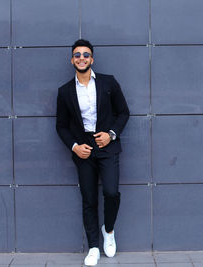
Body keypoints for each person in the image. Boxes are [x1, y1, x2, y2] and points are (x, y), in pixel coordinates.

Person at [56, 39, 129, 266]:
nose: (81, 58)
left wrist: (111, 134)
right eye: (77, 55)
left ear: (92, 59)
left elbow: (124, 112)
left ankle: (108, 230)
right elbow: (61, 125)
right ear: (72, 60)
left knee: (111, 193)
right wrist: (75, 147)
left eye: (85, 55)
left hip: (107, 144)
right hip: (83, 149)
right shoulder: (65, 91)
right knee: (88, 200)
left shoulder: (108, 82)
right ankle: (94, 247)